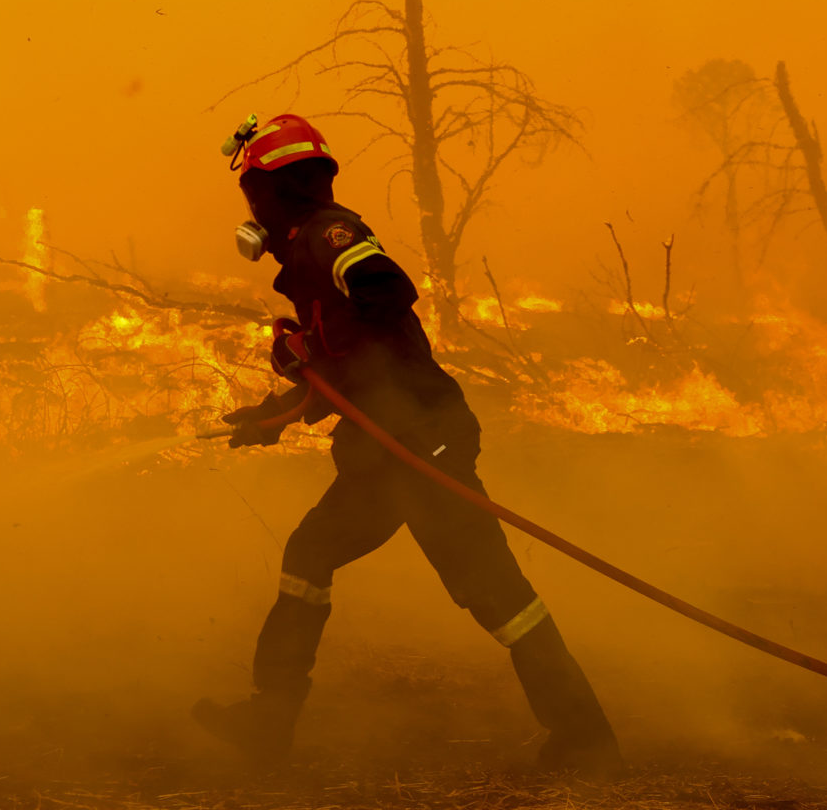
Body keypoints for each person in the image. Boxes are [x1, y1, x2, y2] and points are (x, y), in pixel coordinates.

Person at [193, 113, 622, 774]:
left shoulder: (329, 235)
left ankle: (585, 738)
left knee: (498, 596)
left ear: (273, 191)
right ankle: (269, 718)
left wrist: (315, 348)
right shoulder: (307, 255)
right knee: (308, 555)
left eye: (255, 194)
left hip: (423, 446)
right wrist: (270, 416)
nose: (254, 211)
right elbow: (342, 376)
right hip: (380, 452)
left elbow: (385, 290)